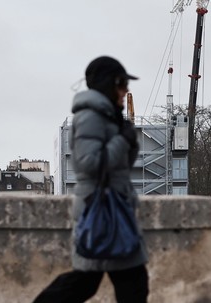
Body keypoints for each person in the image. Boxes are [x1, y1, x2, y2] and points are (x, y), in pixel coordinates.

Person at [34, 56, 149, 303]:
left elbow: (121, 166)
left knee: (94, 282)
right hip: (103, 212)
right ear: (108, 84)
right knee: (110, 283)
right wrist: (122, 140)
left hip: (113, 209)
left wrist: (127, 140)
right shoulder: (90, 117)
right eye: (121, 84)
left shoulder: (108, 116)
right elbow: (89, 164)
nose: (125, 90)